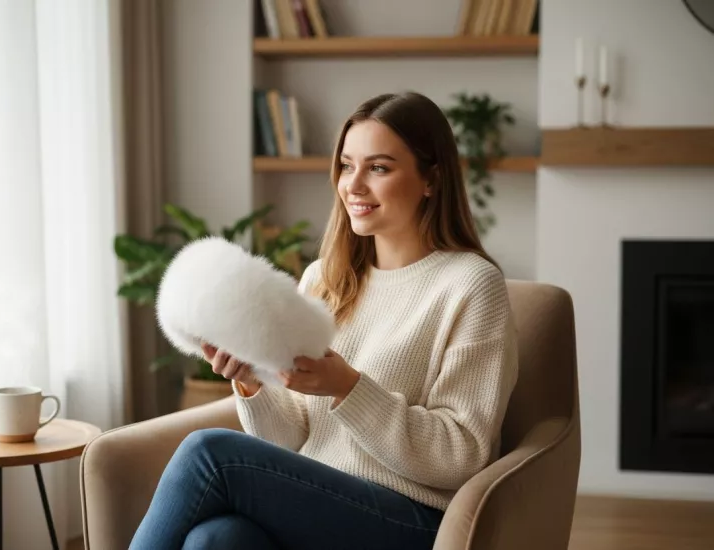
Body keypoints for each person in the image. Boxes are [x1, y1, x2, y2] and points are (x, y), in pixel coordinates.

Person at [129, 91, 518, 550]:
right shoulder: (325, 278)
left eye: (378, 168)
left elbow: (462, 453)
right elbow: (291, 436)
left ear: (431, 179)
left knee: (207, 453)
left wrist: (350, 388)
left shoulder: (471, 285)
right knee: (217, 539)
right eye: (346, 166)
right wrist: (253, 383)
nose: (353, 186)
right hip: (323, 503)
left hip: (415, 519)